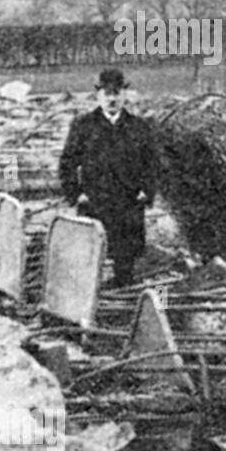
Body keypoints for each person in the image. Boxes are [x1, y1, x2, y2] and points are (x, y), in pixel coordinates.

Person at [58, 67, 157, 289]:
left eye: (116, 93)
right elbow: (67, 164)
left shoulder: (138, 127)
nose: (112, 98)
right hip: (95, 201)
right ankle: (90, 299)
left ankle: (123, 295)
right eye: (107, 93)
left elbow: (152, 164)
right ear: (99, 95)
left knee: (126, 256)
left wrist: (146, 192)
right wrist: (76, 195)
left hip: (128, 201)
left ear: (124, 95)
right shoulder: (83, 126)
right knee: (91, 252)